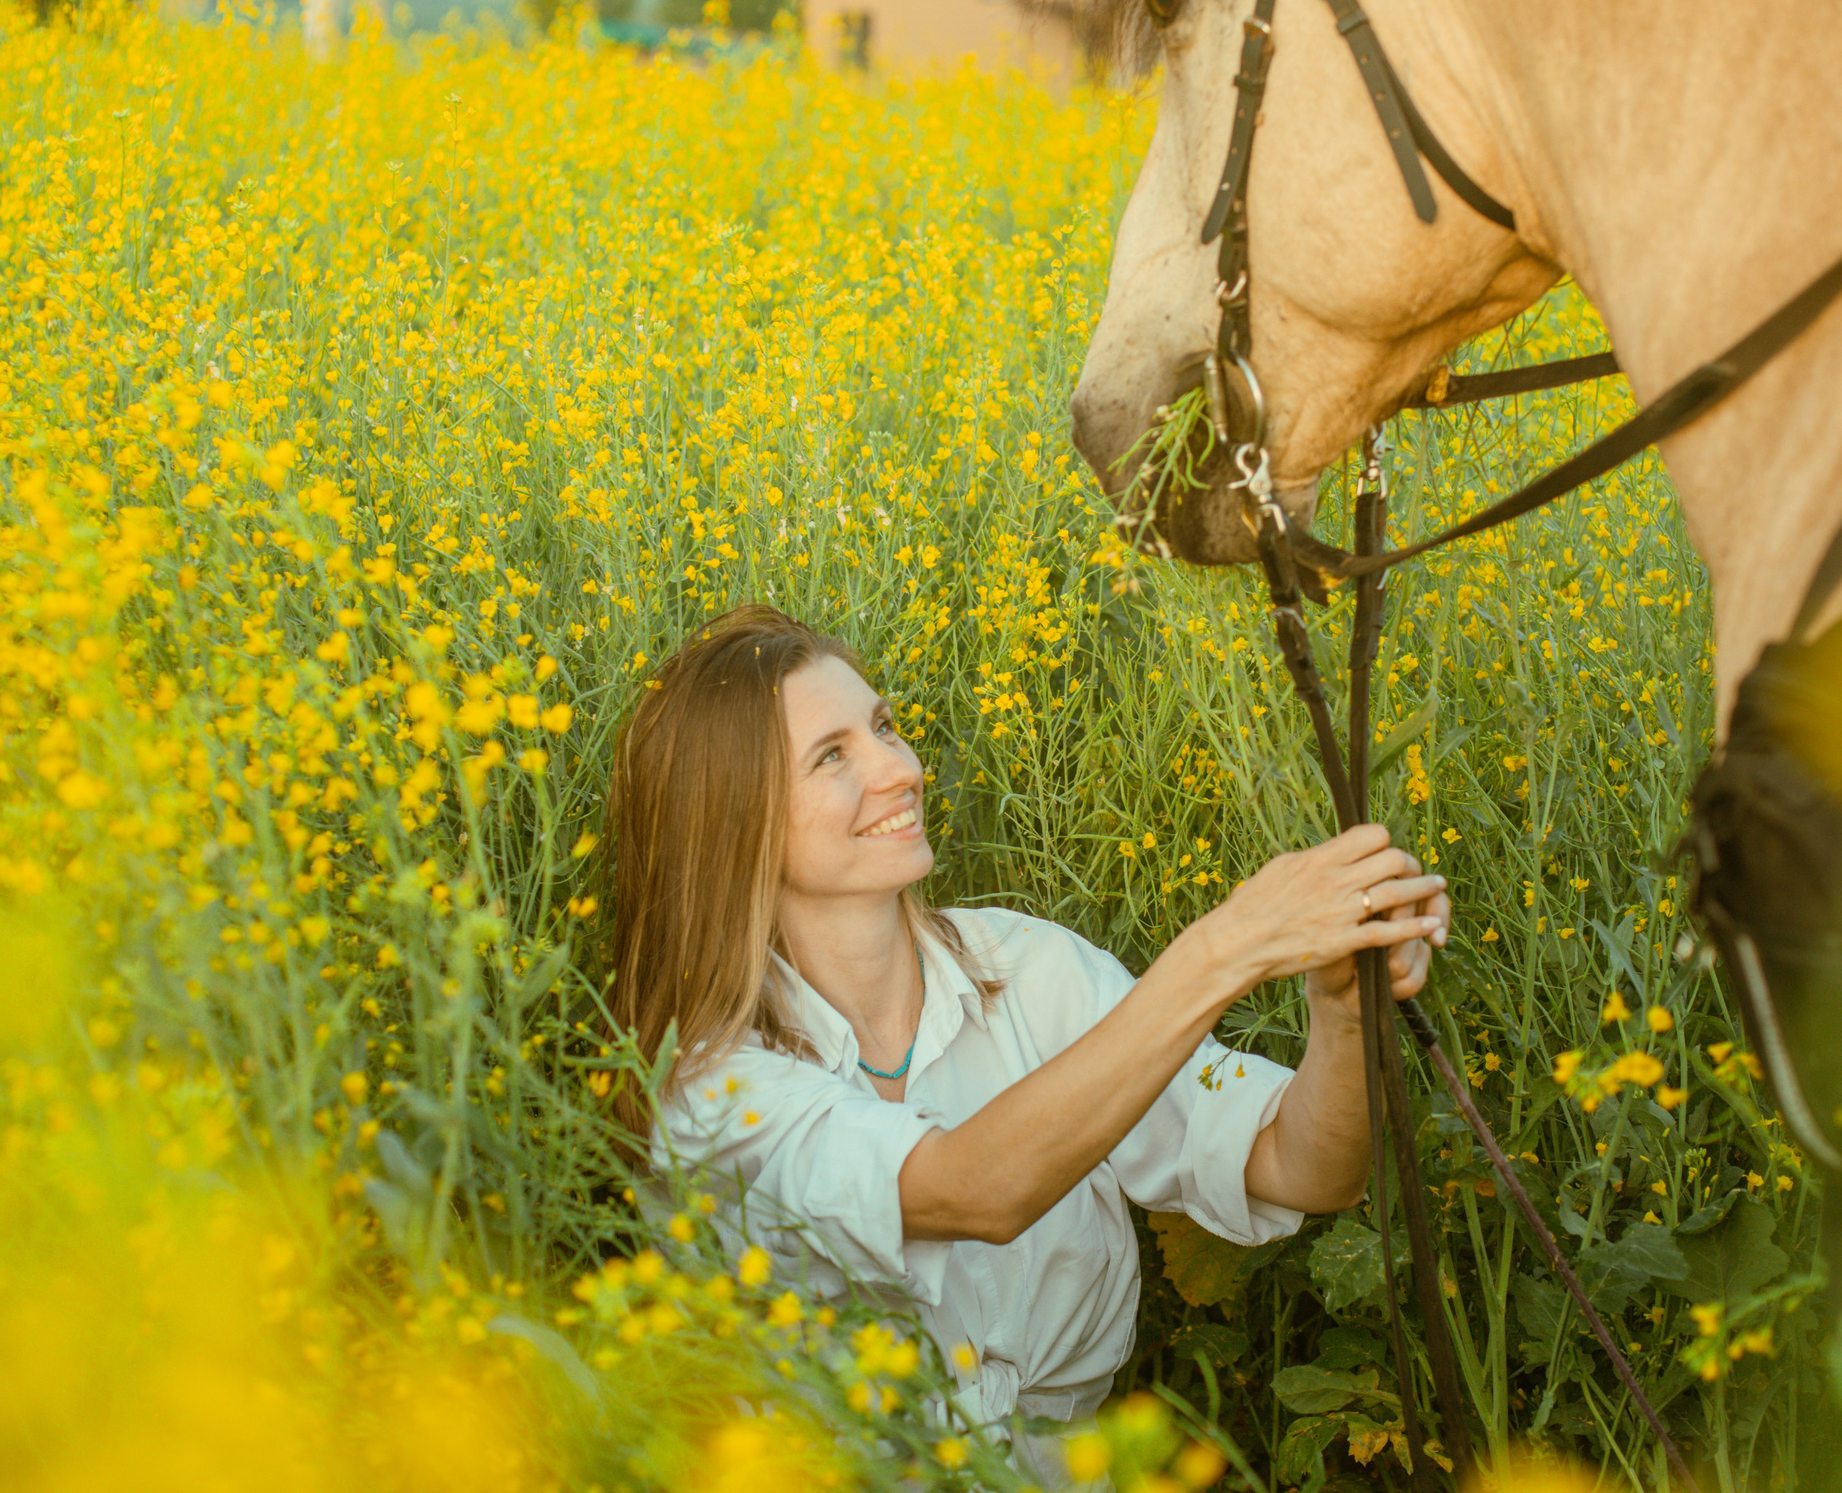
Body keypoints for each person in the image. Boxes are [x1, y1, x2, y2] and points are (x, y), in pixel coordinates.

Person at [604, 605, 1449, 1465]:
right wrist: (1230, 945)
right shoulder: (705, 1083)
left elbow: (1305, 1167)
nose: (899, 768)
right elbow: (976, 1191)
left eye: (885, 726)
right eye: (833, 755)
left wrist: (1343, 1010)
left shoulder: (1031, 968)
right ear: (732, 821)